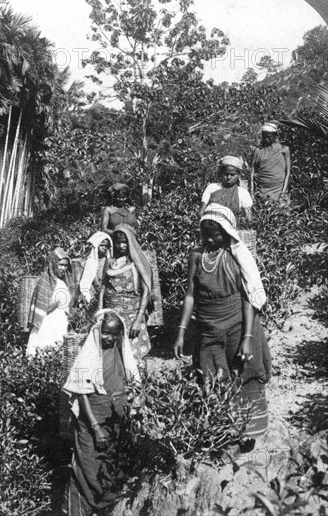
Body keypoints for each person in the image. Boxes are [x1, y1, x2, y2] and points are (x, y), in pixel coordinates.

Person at [173, 203, 271, 445]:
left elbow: (249, 296)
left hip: (238, 326)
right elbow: (190, 295)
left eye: (215, 233)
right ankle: (221, 434)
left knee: (243, 376)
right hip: (208, 327)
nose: (209, 238)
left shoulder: (236, 254)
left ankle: (248, 434)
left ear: (227, 231)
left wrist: (247, 339)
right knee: (211, 377)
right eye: (205, 232)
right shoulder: (197, 255)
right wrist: (181, 332)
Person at [63, 309, 140, 516]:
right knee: (88, 466)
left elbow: (131, 383)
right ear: (98, 331)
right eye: (106, 332)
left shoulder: (121, 352)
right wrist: (96, 427)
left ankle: (105, 509)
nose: (110, 338)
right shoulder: (89, 355)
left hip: (117, 417)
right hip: (93, 419)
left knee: (112, 466)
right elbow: (82, 393)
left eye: (115, 334)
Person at [98, 224, 152, 361]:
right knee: (112, 354)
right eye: (118, 242)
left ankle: (136, 382)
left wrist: (139, 319)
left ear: (130, 242)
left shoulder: (138, 263)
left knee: (134, 355)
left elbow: (146, 291)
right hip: (111, 317)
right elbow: (103, 288)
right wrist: (100, 313)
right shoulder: (110, 262)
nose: (121, 245)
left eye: (124, 242)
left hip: (131, 316)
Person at [26, 248, 75, 357]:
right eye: (60, 265)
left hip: (61, 323)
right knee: (45, 353)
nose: (63, 268)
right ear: (53, 264)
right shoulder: (44, 281)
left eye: (65, 266)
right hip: (47, 325)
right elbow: (44, 306)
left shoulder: (63, 283)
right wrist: (55, 303)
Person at [199, 155, 253, 223]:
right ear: (221, 173)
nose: (229, 177)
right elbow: (201, 212)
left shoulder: (243, 192)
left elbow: (249, 217)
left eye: (232, 175)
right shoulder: (212, 187)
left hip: (231, 227)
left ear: (238, 175)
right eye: (226, 174)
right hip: (211, 226)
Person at [250, 122, 291, 202]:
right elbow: (252, 172)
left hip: (279, 190)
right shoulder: (258, 151)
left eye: (269, 137)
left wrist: (282, 194)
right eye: (264, 136)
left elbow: (287, 173)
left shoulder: (284, 150)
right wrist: (252, 193)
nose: (266, 139)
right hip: (262, 190)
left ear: (276, 136)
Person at [78, 232, 112, 304]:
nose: (104, 247)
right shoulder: (91, 260)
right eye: (102, 245)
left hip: (104, 286)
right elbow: (92, 275)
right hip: (94, 287)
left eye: (106, 246)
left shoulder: (107, 260)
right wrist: (98, 288)